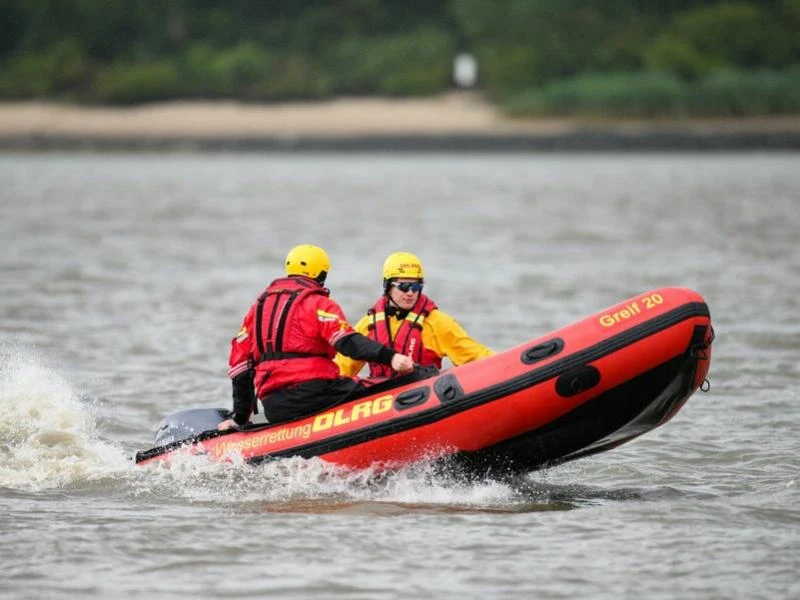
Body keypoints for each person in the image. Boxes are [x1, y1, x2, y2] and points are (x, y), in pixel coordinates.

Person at [218, 245, 414, 430]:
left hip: (274, 405)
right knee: (387, 384)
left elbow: (240, 368)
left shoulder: (256, 310)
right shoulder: (318, 303)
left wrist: (240, 418)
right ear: (322, 274)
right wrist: (392, 357)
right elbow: (347, 342)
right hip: (317, 393)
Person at [335, 252, 494, 380]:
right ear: (388, 287)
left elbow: (477, 356)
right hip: (381, 403)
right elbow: (342, 369)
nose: (411, 293)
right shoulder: (367, 325)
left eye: (416, 286)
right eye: (404, 287)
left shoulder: (437, 322)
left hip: (423, 398)